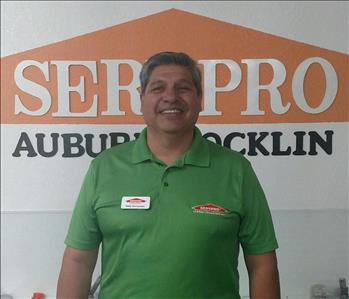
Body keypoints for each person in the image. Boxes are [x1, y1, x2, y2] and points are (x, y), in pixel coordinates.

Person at [57, 51, 280, 299]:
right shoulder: (105, 167)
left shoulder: (236, 170)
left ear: (200, 98)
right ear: (141, 97)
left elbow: (262, 263)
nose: (171, 97)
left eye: (183, 88)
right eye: (158, 88)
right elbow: (79, 260)